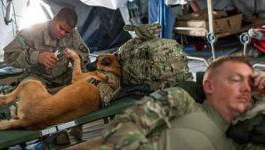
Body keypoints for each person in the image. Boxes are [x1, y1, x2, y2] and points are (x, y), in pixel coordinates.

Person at [67, 56, 265, 150]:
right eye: (235, 79)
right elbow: (122, 127)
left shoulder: (246, 130)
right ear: (209, 86)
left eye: (249, 82)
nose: (246, 88)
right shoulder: (183, 101)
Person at [4, 7, 90, 92]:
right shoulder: (32, 32)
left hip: (63, 77)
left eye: (67, 32)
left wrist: (76, 59)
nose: (62, 33)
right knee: (29, 90)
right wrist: (37, 57)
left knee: (90, 82)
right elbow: (9, 55)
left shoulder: (73, 34)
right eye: (61, 28)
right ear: (54, 19)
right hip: (37, 77)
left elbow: (85, 59)